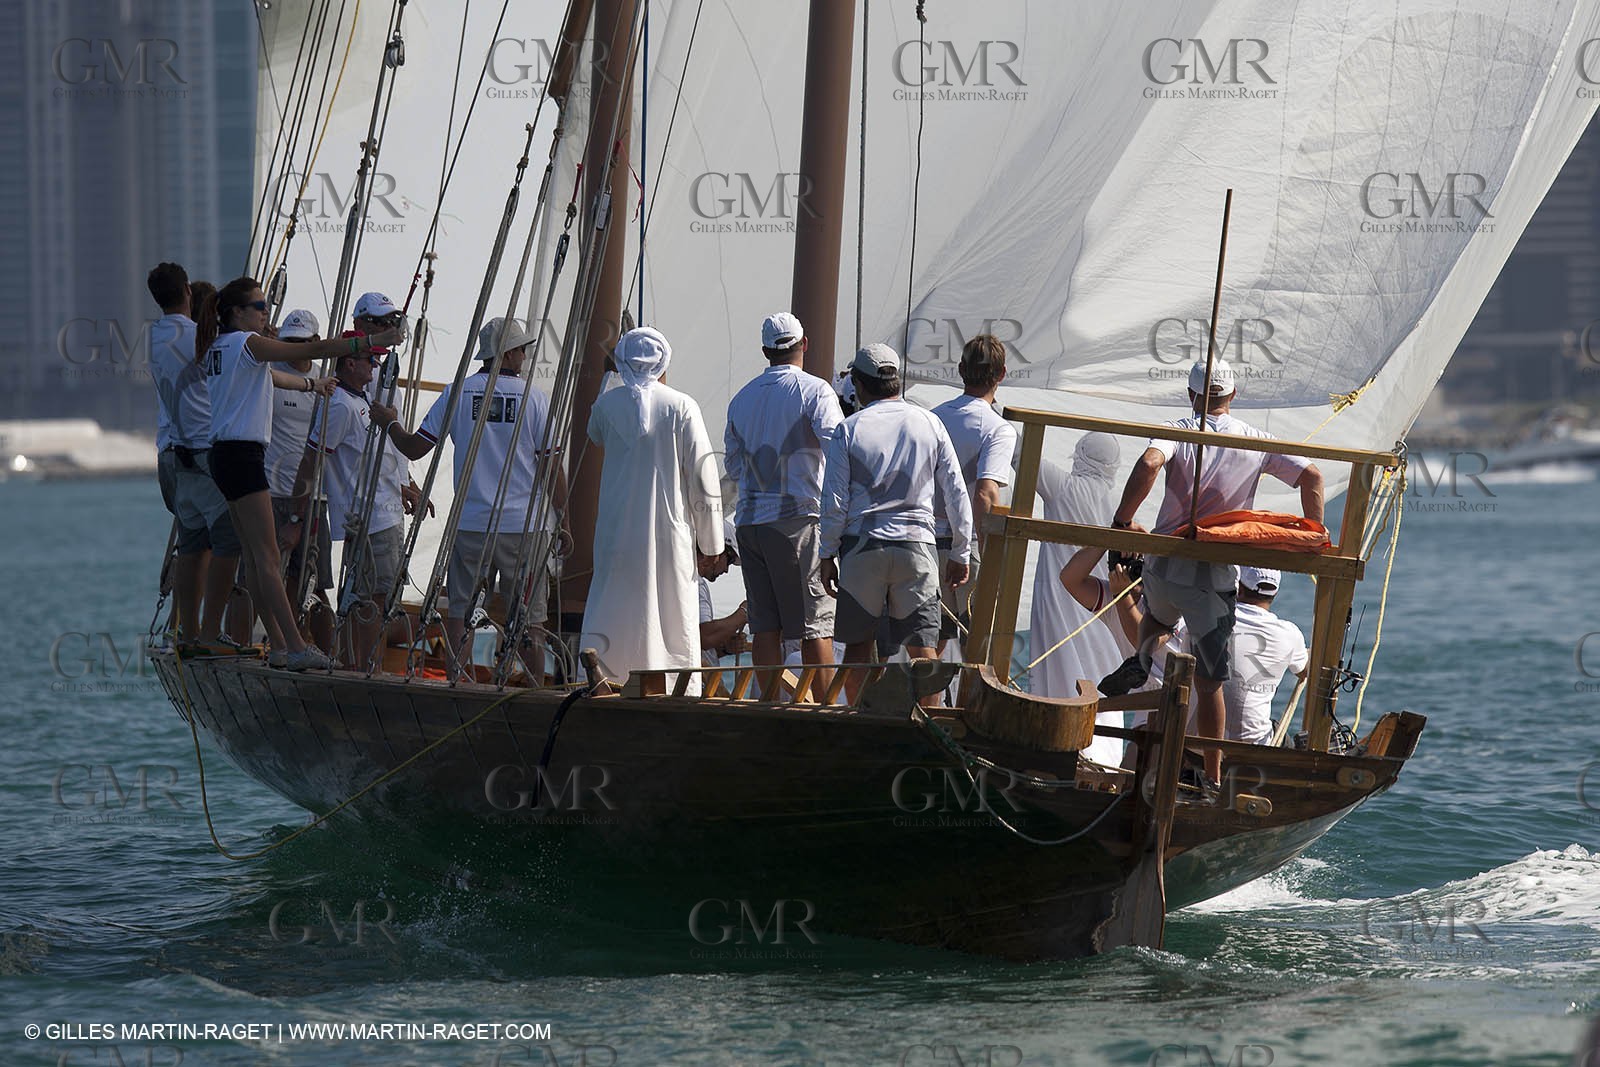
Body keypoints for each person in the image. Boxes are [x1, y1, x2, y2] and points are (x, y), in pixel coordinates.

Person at [1102, 359, 1324, 781]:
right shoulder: (1255, 439)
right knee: (1209, 685)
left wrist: (1122, 521)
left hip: (1164, 564)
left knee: (1159, 617)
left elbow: (1148, 464)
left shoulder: (1178, 429)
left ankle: (1143, 656)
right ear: (1233, 395)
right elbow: (1311, 476)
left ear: (1191, 394)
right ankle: (1214, 775)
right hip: (1213, 575)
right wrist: (1313, 538)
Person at [197, 276, 402, 670]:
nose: (266, 313)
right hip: (243, 456)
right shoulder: (247, 343)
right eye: (260, 307)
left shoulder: (218, 347)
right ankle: (293, 646)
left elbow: (272, 377)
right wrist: (370, 342)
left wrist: (311, 384)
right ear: (237, 312)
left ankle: (278, 644)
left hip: (223, 456)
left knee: (255, 559)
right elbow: (315, 349)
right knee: (267, 557)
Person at [377, 316, 569, 669]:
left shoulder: (458, 392)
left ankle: (456, 679)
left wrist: (389, 422)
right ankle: (533, 688)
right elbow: (552, 468)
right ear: (507, 354)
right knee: (529, 619)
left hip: (471, 524)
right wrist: (564, 522)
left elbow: (415, 448)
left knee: (461, 612)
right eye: (521, 350)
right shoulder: (535, 399)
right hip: (524, 528)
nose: (525, 357)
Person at [818, 344, 972, 704]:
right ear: (896, 380)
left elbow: (834, 503)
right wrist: (961, 551)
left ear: (858, 384)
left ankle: (865, 723)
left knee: (858, 651)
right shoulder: (929, 423)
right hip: (917, 546)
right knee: (924, 651)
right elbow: (956, 492)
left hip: (862, 548)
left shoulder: (848, 429)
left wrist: (826, 554)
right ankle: (928, 725)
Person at [580, 326, 724, 685]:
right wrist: (711, 544)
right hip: (668, 531)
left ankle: (607, 675)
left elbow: (593, 433)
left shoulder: (607, 405)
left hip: (616, 531)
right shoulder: (682, 406)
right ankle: (672, 685)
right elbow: (703, 478)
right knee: (670, 610)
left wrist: (612, 380)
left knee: (615, 602)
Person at [724, 312, 842, 698]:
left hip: (749, 522)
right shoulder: (815, 391)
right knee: (814, 625)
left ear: (765, 352)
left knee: (765, 627)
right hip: (797, 519)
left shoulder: (742, 399)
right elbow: (837, 450)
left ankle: (769, 707)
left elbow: (734, 466)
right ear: (804, 344)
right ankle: (827, 711)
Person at [147, 263, 243, 650]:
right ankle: (209, 633)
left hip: (171, 456)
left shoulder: (156, 335)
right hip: (202, 453)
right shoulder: (198, 338)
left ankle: (186, 632)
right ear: (186, 290)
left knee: (191, 545)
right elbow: (232, 361)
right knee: (228, 541)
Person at [1027, 432, 1128, 760]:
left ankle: (1061, 753)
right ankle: (1103, 759)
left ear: (1080, 455)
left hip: (1060, 599)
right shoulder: (1117, 506)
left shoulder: (1063, 487)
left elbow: (1020, 453)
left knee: (1058, 675)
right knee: (1100, 682)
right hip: (1098, 606)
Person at [930, 334, 1018, 652]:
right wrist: (989, 554)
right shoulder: (998, 428)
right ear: (1002, 373)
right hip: (967, 545)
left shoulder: (932, 417)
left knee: (931, 644)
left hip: (926, 540)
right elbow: (985, 494)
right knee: (979, 645)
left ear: (961, 369)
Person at [263, 308, 336, 652]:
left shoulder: (327, 383)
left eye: (301, 342)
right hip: (271, 492)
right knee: (264, 577)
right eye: (288, 341)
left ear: (316, 342)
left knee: (313, 583)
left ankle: (330, 656)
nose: (294, 348)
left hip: (313, 496)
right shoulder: (269, 375)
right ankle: (282, 646)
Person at [1225, 566, 1308, 745]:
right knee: (1289, 743)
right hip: (1253, 743)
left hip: (1195, 739)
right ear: (1275, 593)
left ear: (1238, 587)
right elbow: (1305, 671)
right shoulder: (1289, 633)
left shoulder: (1210, 618)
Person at [698, 518, 748, 666]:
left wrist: (725, 648)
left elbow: (694, 644)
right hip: (699, 680)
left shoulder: (687, 582)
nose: (726, 570)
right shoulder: (694, 584)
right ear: (716, 550)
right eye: (729, 560)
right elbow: (704, 637)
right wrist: (744, 613)